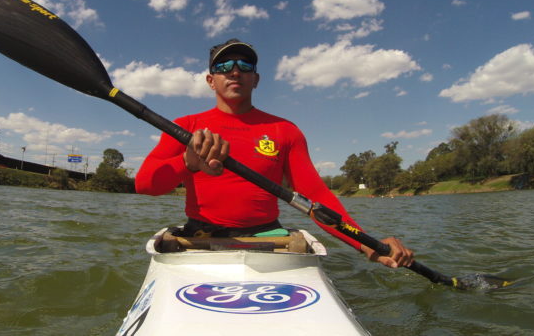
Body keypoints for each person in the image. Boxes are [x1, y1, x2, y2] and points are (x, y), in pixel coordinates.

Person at [134, 39, 414, 268]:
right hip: (200, 237)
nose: (235, 72)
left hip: (267, 237)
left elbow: (316, 196)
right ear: (211, 80)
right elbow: (144, 185)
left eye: (244, 65)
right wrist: (188, 162)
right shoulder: (185, 127)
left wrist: (365, 243)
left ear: (255, 79)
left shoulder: (285, 131)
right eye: (224, 66)